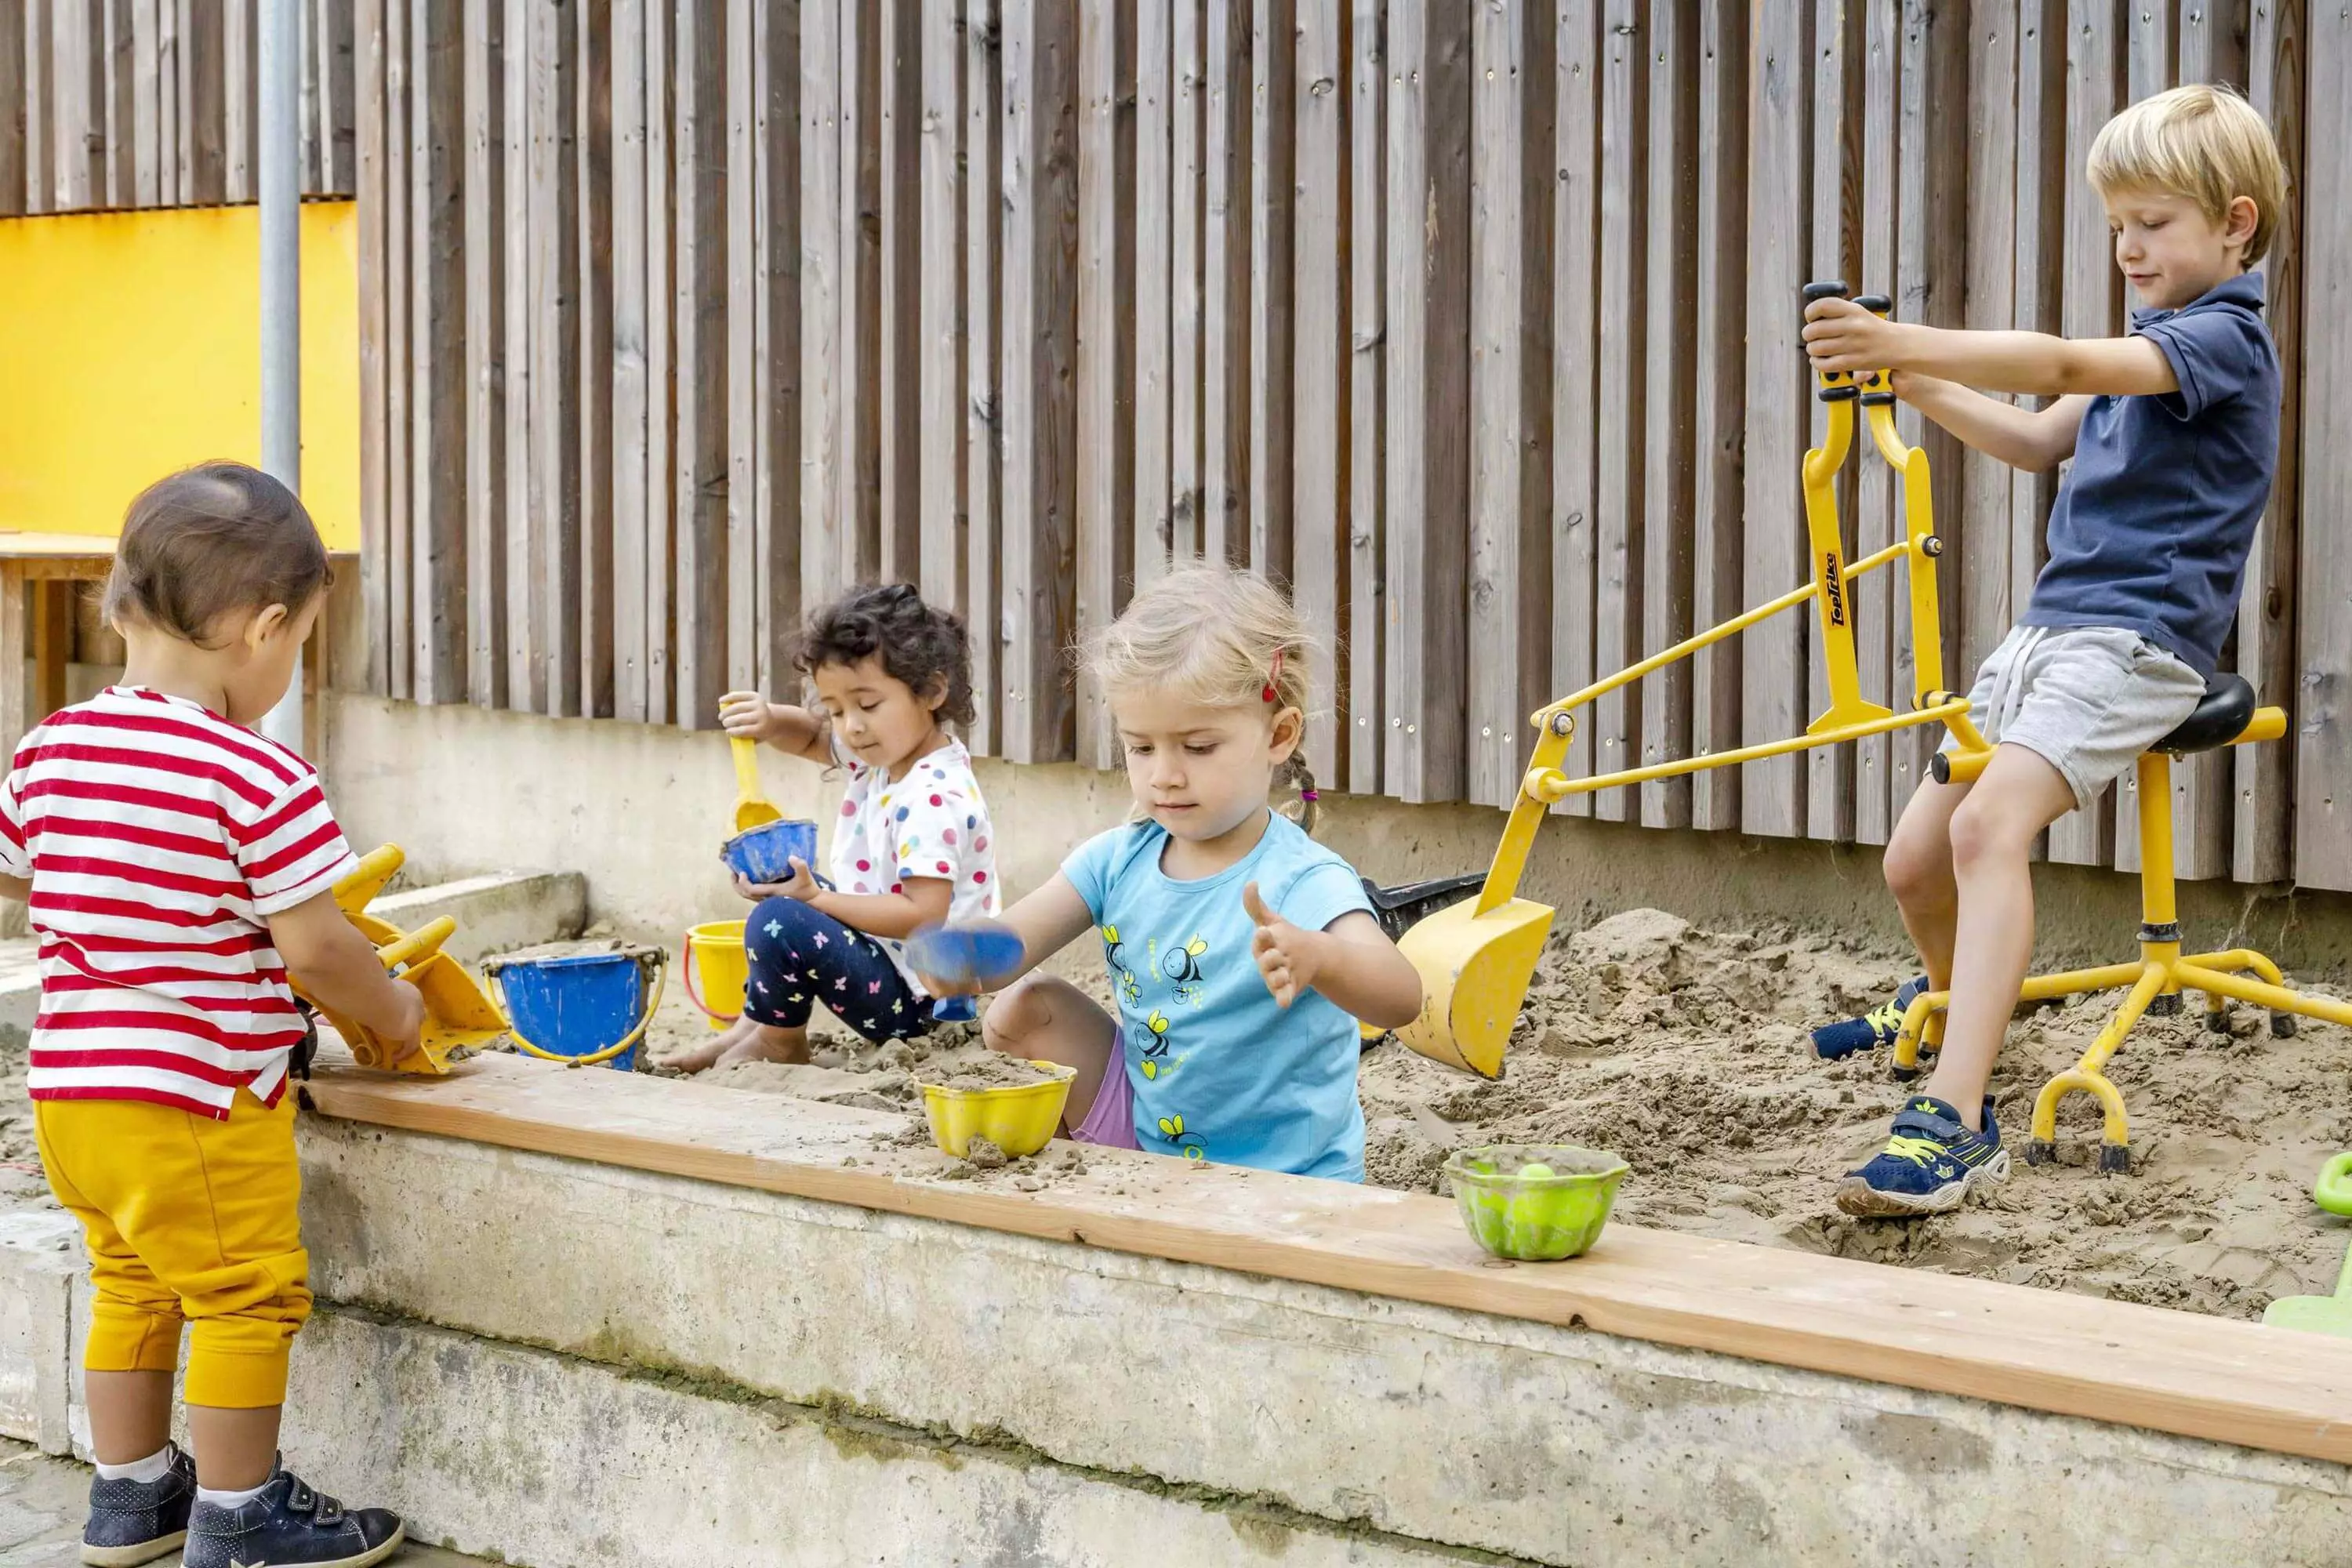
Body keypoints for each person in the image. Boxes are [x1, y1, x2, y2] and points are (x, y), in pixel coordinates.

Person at [1800, 83, 2285, 1217]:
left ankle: (1958, 1119)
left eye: (2151, 223)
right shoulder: (2148, 351)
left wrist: (1903, 335)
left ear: (2237, 223)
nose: (2127, 248)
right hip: (2047, 636)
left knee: (1986, 824)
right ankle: (1960, 1005)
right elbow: (2031, 438)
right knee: (1913, 861)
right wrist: (1913, 383)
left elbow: (2061, 372)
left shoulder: (2223, 345)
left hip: (2139, 644)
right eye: (2116, 225)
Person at [0, 464, 416, 1566]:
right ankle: (241, 1519)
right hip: (193, 1095)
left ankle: (131, 1500)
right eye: (300, 643)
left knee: (133, 1280)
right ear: (263, 629)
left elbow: (21, 872)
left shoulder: (50, 748)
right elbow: (320, 946)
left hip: (71, 1092)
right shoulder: (253, 772)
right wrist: (399, 1013)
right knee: (243, 1297)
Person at [926, 563, 1421, 1180]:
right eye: (1142, 747)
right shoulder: (1119, 858)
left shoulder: (1302, 877)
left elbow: (1402, 997)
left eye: (1199, 746)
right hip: (1147, 1142)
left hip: (1286, 1179)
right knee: (1025, 1009)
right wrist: (960, 959)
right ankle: (1088, 1182)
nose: (1165, 774)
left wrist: (1321, 957)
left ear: (1280, 735)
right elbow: (1017, 942)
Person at [656, 583, 998, 1073]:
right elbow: (815, 737)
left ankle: (780, 1043)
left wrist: (814, 899)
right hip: (899, 966)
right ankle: (752, 1026)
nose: (850, 727)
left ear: (931, 691)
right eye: (837, 709)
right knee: (784, 901)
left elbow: (922, 914)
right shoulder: (889, 752)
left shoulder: (932, 795)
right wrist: (771, 720)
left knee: (783, 920)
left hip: (928, 1002)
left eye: (867, 705)